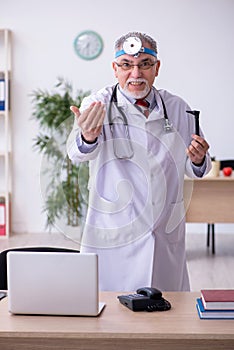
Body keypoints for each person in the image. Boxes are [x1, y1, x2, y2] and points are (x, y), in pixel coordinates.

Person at [67, 31, 211, 292]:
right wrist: (88, 136)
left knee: (167, 313)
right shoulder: (97, 105)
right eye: (126, 65)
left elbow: (197, 168)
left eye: (144, 64)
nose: (136, 74)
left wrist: (199, 159)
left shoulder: (178, 107)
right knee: (109, 315)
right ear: (115, 68)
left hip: (163, 232)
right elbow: (77, 154)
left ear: (157, 68)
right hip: (113, 232)